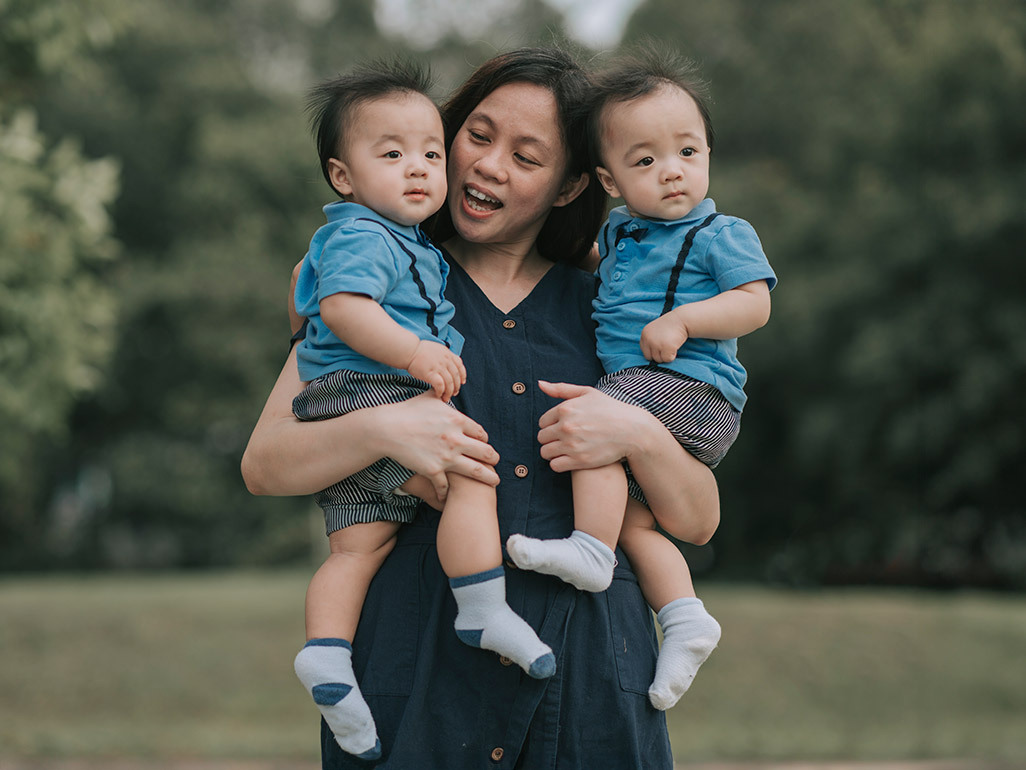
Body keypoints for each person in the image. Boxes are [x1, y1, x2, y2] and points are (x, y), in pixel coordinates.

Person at [242, 47, 721, 770]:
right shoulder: (374, 294)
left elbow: (698, 519)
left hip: (592, 688)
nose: (490, 165)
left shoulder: (614, 307)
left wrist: (637, 433)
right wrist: (384, 427)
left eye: (527, 157)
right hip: (418, 682)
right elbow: (264, 465)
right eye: (478, 134)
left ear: (568, 188)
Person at [290, 60, 554, 761]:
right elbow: (344, 308)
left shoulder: (401, 245)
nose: (419, 169)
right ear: (342, 176)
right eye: (393, 154)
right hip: (365, 395)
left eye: (429, 154)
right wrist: (413, 357)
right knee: (468, 469)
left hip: (345, 408)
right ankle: (483, 606)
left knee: (354, 548)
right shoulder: (364, 236)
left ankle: (325, 655)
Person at [505, 49, 776, 711]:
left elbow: (755, 302)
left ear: (708, 152)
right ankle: (684, 616)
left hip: (691, 389)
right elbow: (605, 272)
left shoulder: (719, 232)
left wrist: (685, 321)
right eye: (646, 161)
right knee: (638, 523)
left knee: (596, 419)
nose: (673, 172)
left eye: (687, 151)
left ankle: (589, 550)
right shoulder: (625, 230)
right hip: (651, 392)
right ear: (610, 179)